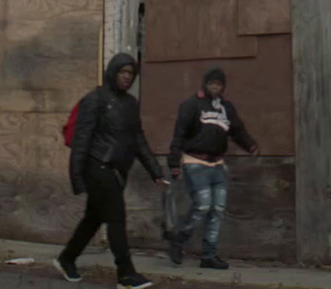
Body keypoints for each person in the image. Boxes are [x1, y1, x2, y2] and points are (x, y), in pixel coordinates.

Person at [57, 53, 167, 289]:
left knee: (93, 219)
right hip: (97, 167)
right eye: (122, 72)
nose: (126, 77)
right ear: (112, 72)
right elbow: (81, 140)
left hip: (118, 172)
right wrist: (76, 177)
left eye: (130, 74)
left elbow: (138, 139)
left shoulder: (130, 103)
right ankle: (126, 275)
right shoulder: (94, 100)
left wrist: (155, 170)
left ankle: (66, 259)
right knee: (117, 218)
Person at [166, 67, 259, 269]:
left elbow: (238, 130)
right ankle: (178, 240)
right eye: (212, 84)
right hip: (195, 162)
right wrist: (174, 162)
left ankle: (209, 256)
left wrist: (250, 145)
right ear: (205, 84)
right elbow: (179, 133)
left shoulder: (226, 107)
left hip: (218, 164)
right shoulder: (191, 105)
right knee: (202, 205)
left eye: (219, 85)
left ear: (223, 87)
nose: (215, 88)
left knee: (217, 209)